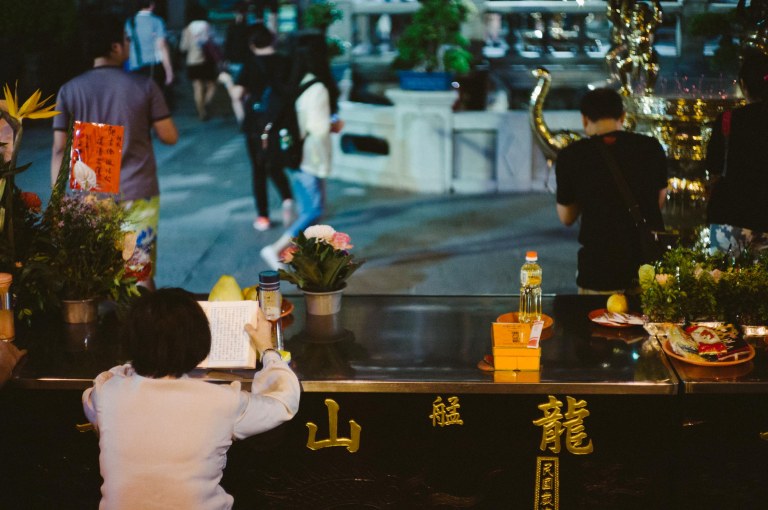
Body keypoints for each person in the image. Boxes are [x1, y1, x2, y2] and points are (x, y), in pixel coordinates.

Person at [82, 288, 300, 509]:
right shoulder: (221, 402)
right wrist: (267, 350)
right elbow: (283, 401)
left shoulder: (106, 394)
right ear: (199, 341)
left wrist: (140, 361)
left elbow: (105, 381)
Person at [51, 13, 179, 291]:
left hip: (90, 195)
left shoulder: (69, 90)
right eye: (126, 39)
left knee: (94, 271)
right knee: (138, 272)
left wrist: (59, 204)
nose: (129, 44)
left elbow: (60, 148)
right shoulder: (144, 86)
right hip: (137, 190)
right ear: (115, 47)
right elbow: (169, 136)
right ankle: (142, 331)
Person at [555, 87, 668, 293]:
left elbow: (566, 217)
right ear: (623, 116)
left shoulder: (571, 155)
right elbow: (659, 200)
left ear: (584, 119)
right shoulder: (651, 147)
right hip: (645, 267)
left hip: (598, 269)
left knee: (596, 323)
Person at [259, 45, 332, 269]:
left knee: (307, 207)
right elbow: (318, 129)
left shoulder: (294, 83)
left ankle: (300, 254)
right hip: (310, 157)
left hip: (292, 154)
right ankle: (275, 249)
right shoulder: (317, 87)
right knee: (314, 210)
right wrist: (334, 123)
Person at [234, 23, 295, 232]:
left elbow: (238, 94)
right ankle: (288, 199)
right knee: (276, 162)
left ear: (252, 45)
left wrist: (226, 82)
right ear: (272, 40)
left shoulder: (250, 64)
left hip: (256, 123)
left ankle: (263, 217)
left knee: (258, 168)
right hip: (281, 120)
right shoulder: (286, 61)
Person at [706, 48, 768, 251]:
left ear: (743, 85)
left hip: (730, 214)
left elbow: (713, 165)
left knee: (725, 278)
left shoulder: (728, 119)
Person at [124, 1, 175, 107]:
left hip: (134, 65)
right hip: (153, 66)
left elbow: (127, 45)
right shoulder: (156, 21)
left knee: (138, 99)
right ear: (152, 5)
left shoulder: (130, 22)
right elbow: (162, 47)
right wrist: (169, 71)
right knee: (154, 101)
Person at [180, 3, 219, 121]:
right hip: (207, 60)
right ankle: (207, 103)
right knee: (212, 84)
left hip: (192, 61)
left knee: (197, 87)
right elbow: (215, 42)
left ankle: (201, 112)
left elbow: (183, 47)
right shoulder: (207, 26)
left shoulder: (187, 29)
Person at [218, 1, 252, 124]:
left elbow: (227, 46)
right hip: (246, 63)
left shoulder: (231, 27)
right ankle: (247, 118)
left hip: (233, 63)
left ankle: (242, 121)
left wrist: (224, 61)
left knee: (235, 95)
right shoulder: (249, 27)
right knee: (246, 93)